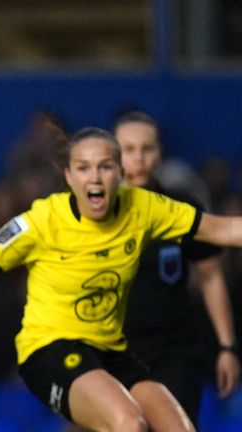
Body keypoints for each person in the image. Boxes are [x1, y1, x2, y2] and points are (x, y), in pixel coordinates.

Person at [0, 126, 242, 431]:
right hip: (49, 349)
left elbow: (223, 230)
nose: (94, 177)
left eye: (105, 167)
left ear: (120, 173)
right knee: (130, 424)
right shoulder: (44, 220)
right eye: (83, 168)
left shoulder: (144, 208)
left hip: (110, 351)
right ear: (69, 177)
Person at [115, 111, 240, 425]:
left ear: (160, 152)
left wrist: (227, 345)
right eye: (129, 149)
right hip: (110, 352)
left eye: (147, 148)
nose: (139, 158)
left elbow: (210, 275)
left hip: (173, 352)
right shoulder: (93, 214)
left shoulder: (180, 208)